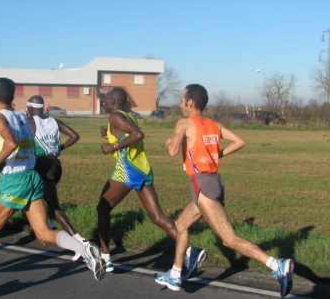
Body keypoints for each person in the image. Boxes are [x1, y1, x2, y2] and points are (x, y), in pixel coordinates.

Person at [0, 78, 105, 298]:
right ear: (12, 96)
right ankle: (83, 249)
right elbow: (18, 146)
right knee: (44, 233)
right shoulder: (21, 117)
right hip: (32, 178)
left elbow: (11, 143)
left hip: (14, 182)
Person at [153, 84, 294, 297]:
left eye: (182, 100)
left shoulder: (184, 123)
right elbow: (240, 141)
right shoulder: (214, 124)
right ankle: (175, 273)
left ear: (190, 103)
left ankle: (276, 265)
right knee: (181, 225)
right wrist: (217, 155)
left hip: (202, 185)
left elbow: (173, 151)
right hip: (213, 183)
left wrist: (168, 143)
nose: (180, 104)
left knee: (229, 239)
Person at [97, 87, 205, 274]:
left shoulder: (115, 117)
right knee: (157, 216)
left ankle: (105, 258)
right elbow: (128, 135)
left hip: (127, 171)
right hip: (143, 170)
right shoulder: (128, 115)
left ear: (113, 102)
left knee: (102, 208)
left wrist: (112, 145)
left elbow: (138, 135)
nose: (103, 103)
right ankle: (190, 250)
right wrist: (111, 135)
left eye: (105, 100)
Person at [27, 95, 88, 261]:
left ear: (30, 108)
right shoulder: (55, 122)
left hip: (42, 166)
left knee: (54, 206)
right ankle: (48, 225)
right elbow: (75, 136)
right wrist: (59, 147)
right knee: (32, 195)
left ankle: (80, 242)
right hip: (55, 164)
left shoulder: (30, 122)